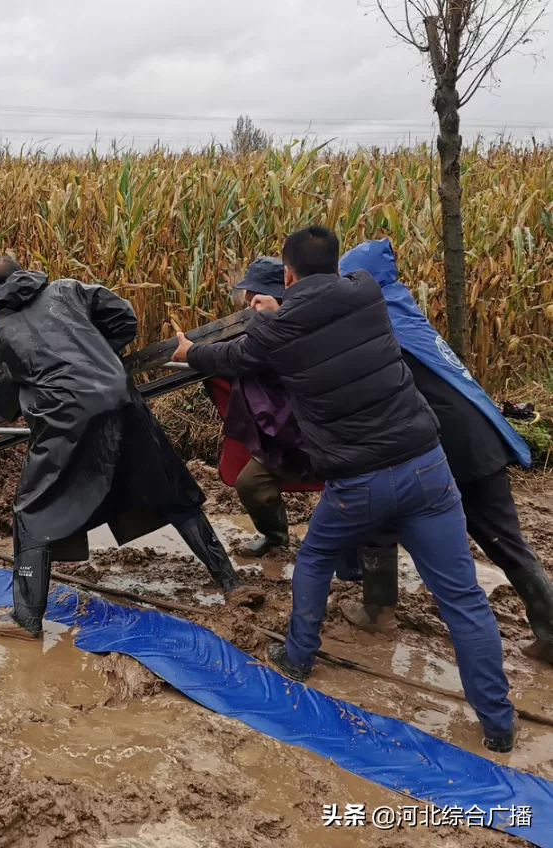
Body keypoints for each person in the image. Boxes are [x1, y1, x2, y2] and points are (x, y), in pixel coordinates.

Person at [173, 226, 516, 753]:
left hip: (358, 481)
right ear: (336, 265)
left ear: (286, 275)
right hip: (428, 467)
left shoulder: (275, 331)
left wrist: (187, 351)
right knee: (463, 597)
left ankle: (297, 658)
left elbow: (227, 359)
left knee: (314, 558)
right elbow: (338, 290)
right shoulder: (366, 292)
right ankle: (498, 726)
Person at [0, 256, 258, 642]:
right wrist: (96, 354)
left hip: (65, 420)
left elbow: (4, 405)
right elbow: (124, 318)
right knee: (168, 487)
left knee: (32, 511)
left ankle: (25, 620)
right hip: (121, 401)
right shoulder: (68, 290)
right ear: (25, 274)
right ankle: (231, 582)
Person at [336, 239, 553, 663]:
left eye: (348, 281)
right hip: (479, 437)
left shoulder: (376, 324)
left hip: (450, 446)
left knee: (377, 513)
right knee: (504, 539)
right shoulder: (402, 310)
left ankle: (378, 611)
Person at [205, 257, 318, 556]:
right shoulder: (255, 327)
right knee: (251, 484)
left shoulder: (309, 324)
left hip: (325, 433)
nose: (245, 301)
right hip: (283, 433)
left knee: (354, 496)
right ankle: (276, 538)